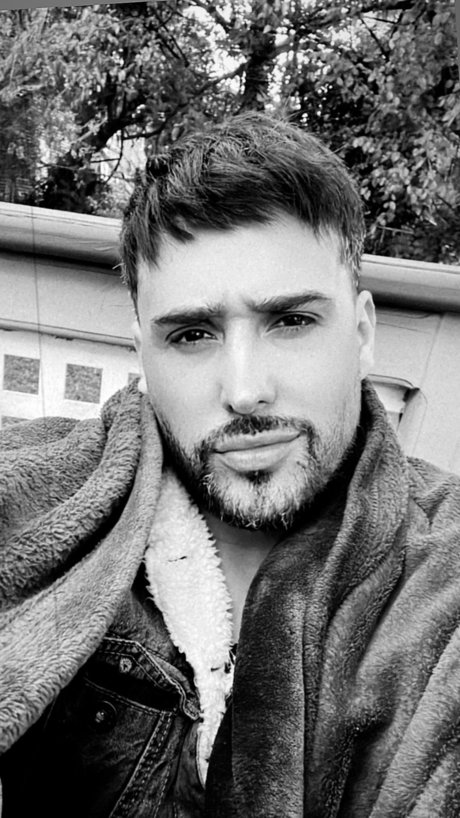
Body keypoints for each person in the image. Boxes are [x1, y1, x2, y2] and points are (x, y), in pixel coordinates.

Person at [1, 112, 460, 818]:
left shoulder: (444, 574)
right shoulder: (41, 497)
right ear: (142, 353)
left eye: (292, 321)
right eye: (192, 334)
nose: (245, 391)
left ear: (363, 332)